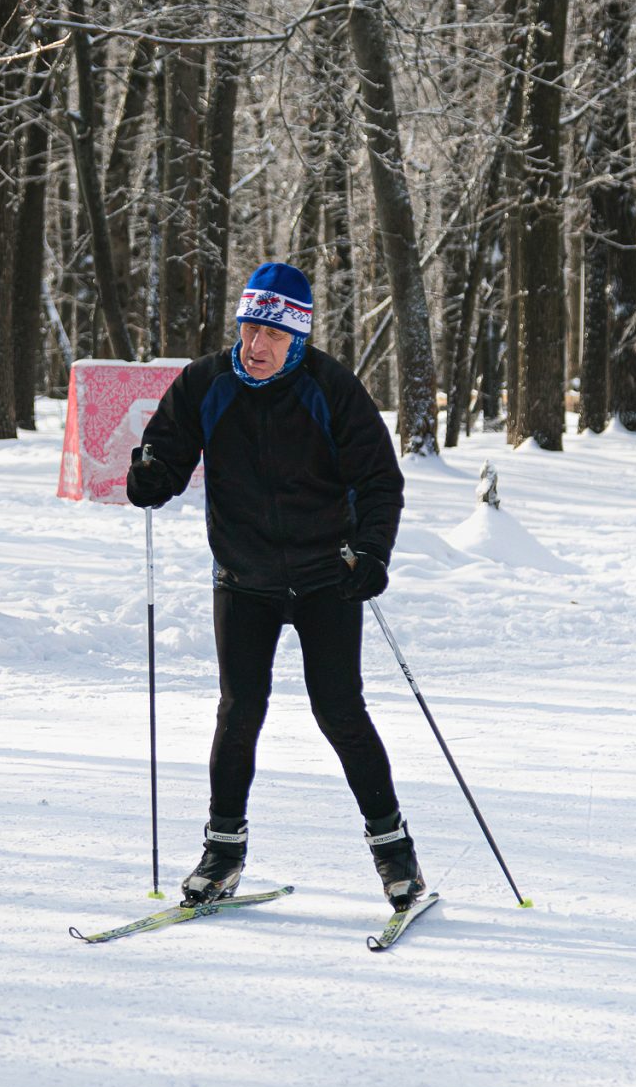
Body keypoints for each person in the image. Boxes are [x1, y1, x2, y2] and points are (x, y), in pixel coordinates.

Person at [125, 261, 426, 911]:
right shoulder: (206, 381)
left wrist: (370, 549)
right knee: (240, 710)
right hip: (244, 577)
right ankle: (222, 852)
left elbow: (379, 481)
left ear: (298, 337)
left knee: (339, 710)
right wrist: (151, 473)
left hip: (327, 578)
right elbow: (167, 451)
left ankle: (395, 853)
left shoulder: (330, 389)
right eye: (248, 327)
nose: (255, 345)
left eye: (272, 333)